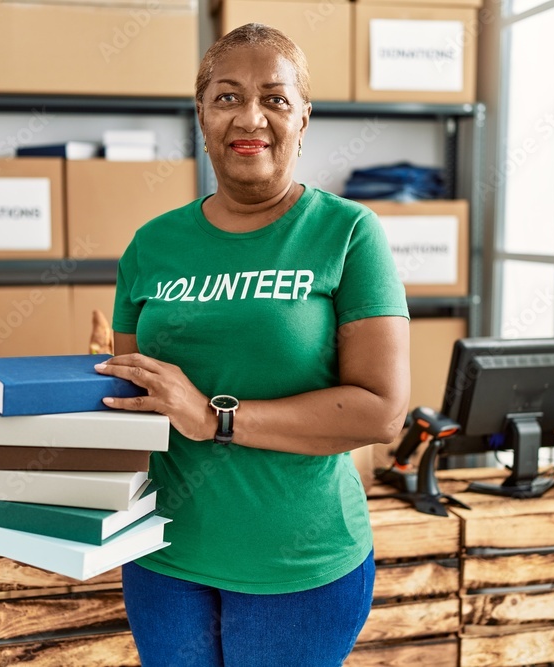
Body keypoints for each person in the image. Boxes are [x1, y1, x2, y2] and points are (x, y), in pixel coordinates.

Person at [95, 23, 410, 667]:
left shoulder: (348, 233)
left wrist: (214, 417)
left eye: (276, 97)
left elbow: (381, 411)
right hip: (163, 556)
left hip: (299, 564)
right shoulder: (151, 245)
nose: (252, 117)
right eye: (227, 96)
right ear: (202, 116)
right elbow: (132, 399)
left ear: (303, 118)